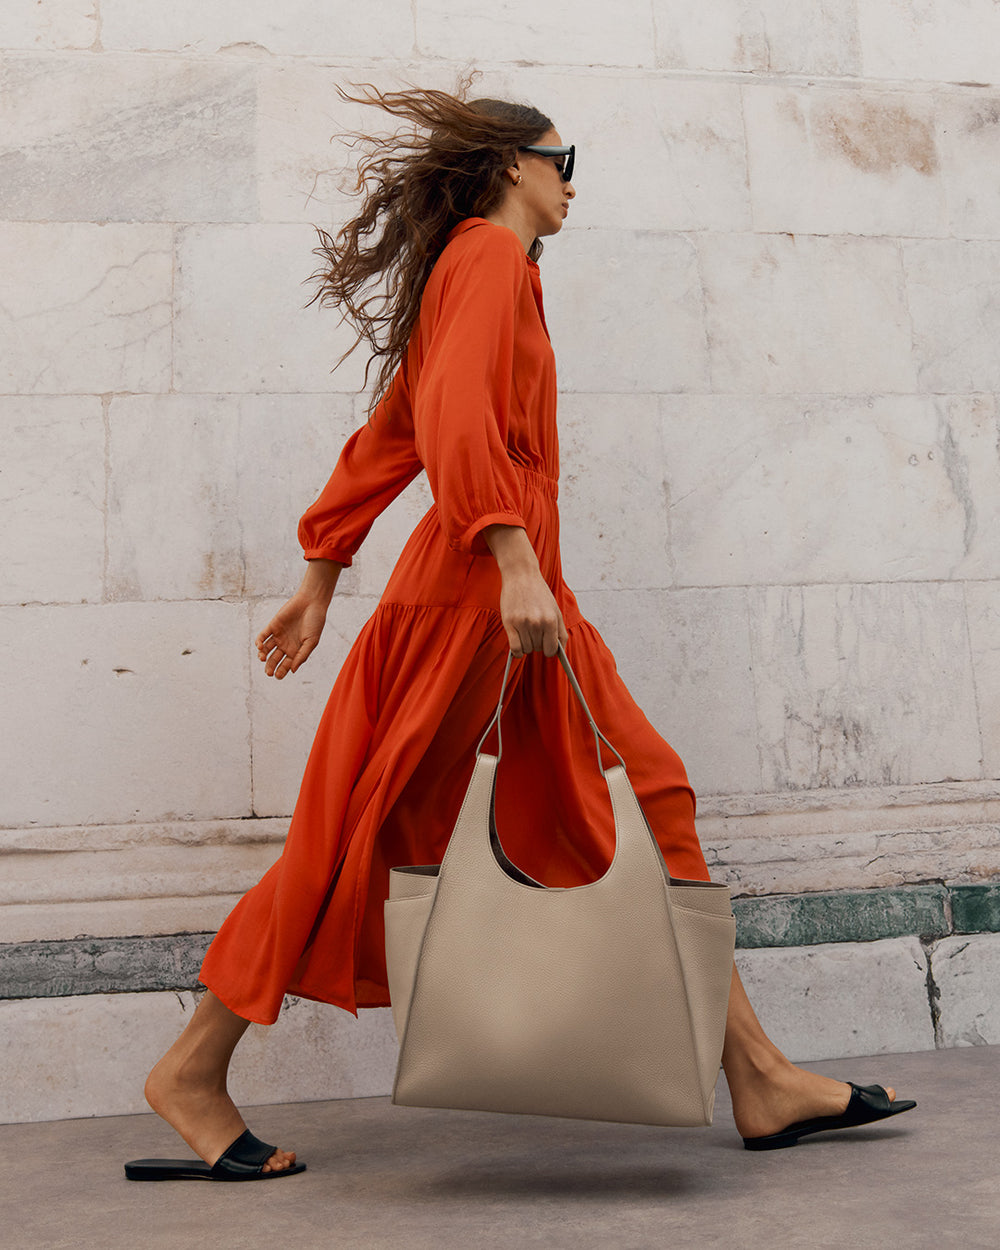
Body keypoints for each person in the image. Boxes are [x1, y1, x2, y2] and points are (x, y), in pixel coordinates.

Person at [125, 84, 914, 1182]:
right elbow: (441, 421)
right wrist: (504, 557)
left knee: (643, 799)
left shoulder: (490, 271)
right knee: (358, 839)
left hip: (510, 594)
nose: (571, 180)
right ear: (509, 166)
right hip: (479, 596)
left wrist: (321, 569)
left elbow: (396, 423)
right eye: (561, 157)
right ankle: (191, 1069)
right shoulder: (488, 259)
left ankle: (760, 1073)